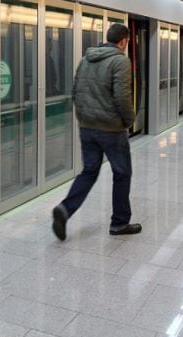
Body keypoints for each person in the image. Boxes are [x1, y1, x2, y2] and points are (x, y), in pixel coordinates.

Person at [52, 23, 139, 240]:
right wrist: (129, 120)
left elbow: (75, 91)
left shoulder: (86, 59)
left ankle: (65, 209)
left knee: (89, 171)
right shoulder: (120, 60)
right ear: (123, 41)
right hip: (111, 129)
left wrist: (83, 118)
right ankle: (119, 223)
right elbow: (122, 96)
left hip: (87, 127)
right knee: (122, 173)